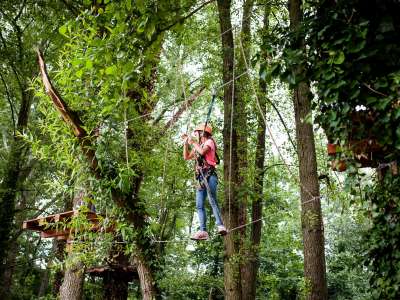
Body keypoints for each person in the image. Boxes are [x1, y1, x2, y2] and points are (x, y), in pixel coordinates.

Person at [182, 123, 227, 240]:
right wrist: (186, 144)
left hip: (210, 175)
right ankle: (203, 231)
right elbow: (186, 157)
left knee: (212, 200)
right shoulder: (199, 145)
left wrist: (192, 142)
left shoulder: (209, 142)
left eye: (196, 133)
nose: (195, 135)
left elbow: (202, 152)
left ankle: (220, 225)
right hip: (200, 178)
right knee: (199, 205)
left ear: (202, 133)